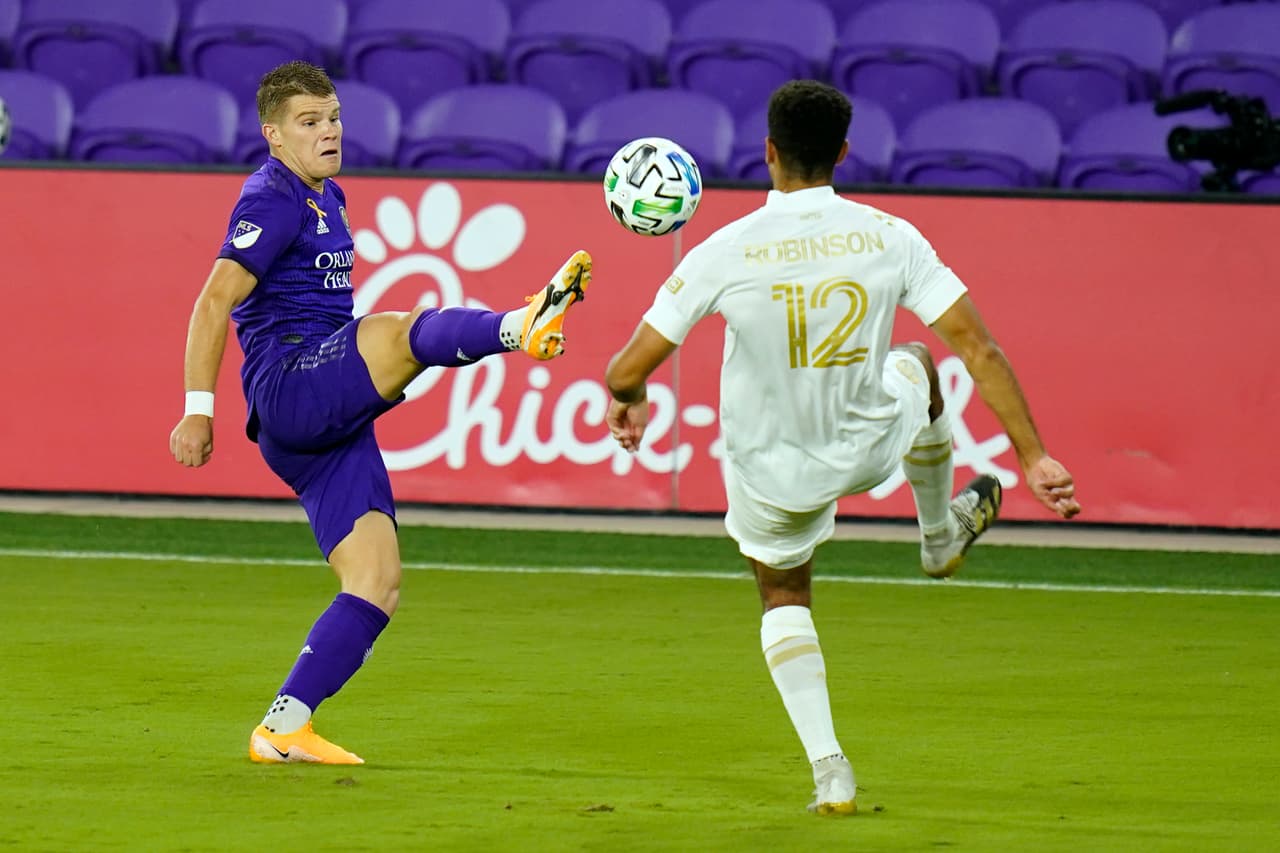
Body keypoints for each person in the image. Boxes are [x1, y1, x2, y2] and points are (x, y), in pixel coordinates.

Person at [603, 80, 1081, 816]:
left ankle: (832, 772)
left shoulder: (722, 250)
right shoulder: (890, 235)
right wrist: (1033, 457)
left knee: (784, 594)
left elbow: (626, 369)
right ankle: (936, 537)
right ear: (844, 153)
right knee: (919, 364)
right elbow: (979, 350)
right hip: (869, 445)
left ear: (769, 152)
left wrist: (629, 401)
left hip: (773, 472)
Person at [168, 61, 591, 765]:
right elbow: (214, 299)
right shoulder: (271, 197)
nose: (328, 130)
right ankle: (520, 327)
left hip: (319, 424)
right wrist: (197, 410)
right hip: (290, 385)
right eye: (309, 122)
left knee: (378, 580)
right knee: (398, 332)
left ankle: (283, 726)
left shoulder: (326, 194)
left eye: (332, 116)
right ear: (272, 134)